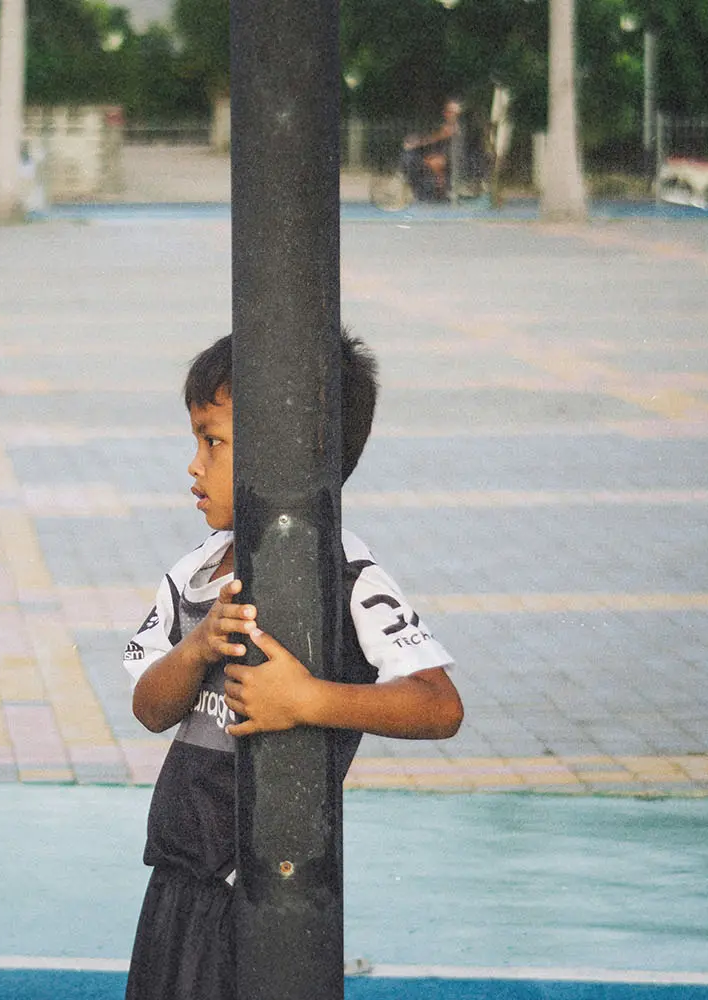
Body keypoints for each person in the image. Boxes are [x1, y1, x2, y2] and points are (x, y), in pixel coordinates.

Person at [122, 330, 464, 1000]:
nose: (193, 466)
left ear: (285, 448)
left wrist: (309, 700)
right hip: (175, 883)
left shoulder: (349, 574)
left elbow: (439, 705)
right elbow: (150, 708)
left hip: (257, 900)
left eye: (212, 441)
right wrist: (196, 649)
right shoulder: (196, 571)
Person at [402, 98, 463, 200]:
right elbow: (433, 138)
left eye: (454, 113)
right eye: (449, 112)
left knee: (432, 162)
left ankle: (442, 189)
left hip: (450, 158)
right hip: (441, 155)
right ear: (445, 113)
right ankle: (424, 189)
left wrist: (415, 144)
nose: (451, 115)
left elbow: (435, 138)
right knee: (419, 160)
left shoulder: (452, 128)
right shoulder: (445, 126)